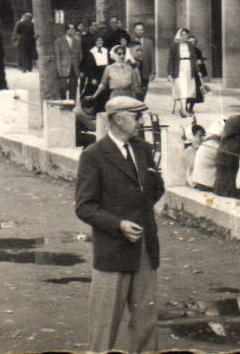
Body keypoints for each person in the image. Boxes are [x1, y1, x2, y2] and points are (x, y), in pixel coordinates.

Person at [74, 96, 164, 353]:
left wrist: (139, 213)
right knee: (104, 324)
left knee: (146, 322)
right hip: (112, 249)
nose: (141, 122)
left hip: (145, 247)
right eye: (136, 117)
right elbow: (84, 206)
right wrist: (118, 224)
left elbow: (156, 187)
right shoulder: (93, 156)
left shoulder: (143, 150)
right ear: (118, 118)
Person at [168, 28, 204, 118]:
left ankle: (184, 108)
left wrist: (198, 71)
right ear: (179, 35)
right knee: (182, 87)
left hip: (188, 67)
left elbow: (194, 59)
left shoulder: (190, 45)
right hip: (179, 68)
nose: (184, 37)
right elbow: (171, 60)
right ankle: (183, 109)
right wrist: (169, 73)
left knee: (188, 89)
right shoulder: (174, 45)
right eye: (182, 35)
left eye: (186, 35)